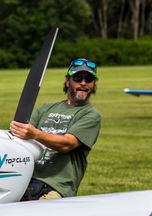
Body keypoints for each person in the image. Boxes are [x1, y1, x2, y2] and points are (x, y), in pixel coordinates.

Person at [10, 58, 101, 200]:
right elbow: (19, 137)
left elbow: (67, 144)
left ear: (93, 84)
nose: (83, 83)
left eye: (88, 79)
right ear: (67, 81)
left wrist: (34, 133)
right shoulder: (45, 109)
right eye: (78, 78)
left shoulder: (90, 114)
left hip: (56, 187)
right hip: (25, 181)